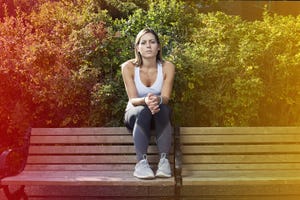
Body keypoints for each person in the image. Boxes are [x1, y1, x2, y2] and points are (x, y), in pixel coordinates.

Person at [121, 28, 175, 179]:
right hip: (135, 113)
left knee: (163, 108)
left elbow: (165, 97)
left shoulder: (167, 67)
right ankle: (141, 164)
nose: (148, 46)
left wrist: (156, 100)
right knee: (143, 111)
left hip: (158, 113)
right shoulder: (128, 67)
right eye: (143, 43)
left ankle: (164, 163)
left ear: (158, 47)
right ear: (138, 48)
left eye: (152, 42)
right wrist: (145, 101)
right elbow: (133, 99)